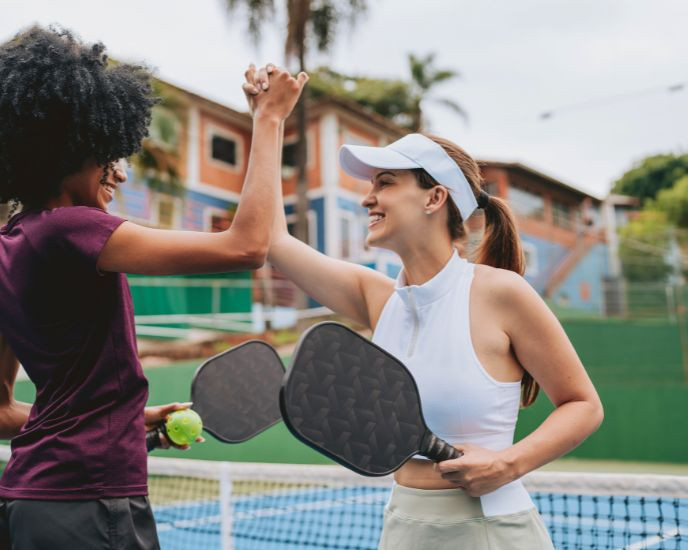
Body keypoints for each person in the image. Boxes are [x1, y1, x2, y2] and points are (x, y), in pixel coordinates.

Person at [0, 27, 306, 550]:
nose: (119, 174)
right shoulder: (72, 228)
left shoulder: (1, 256)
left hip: (19, 507)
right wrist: (268, 119)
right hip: (86, 507)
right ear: (74, 145)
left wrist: (121, 420)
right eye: (109, 154)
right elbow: (246, 247)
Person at [245, 73, 603, 549]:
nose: (368, 197)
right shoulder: (377, 297)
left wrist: (507, 464)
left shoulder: (502, 293)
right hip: (404, 526)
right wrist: (267, 121)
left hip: (492, 530)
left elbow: (583, 405)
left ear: (436, 198)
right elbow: (268, 240)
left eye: (386, 183)